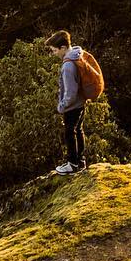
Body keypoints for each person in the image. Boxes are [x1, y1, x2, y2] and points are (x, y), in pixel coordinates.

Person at [45, 30, 88, 175]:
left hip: (72, 106)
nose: (54, 53)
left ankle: (72, 164)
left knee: (70, 133)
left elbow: (70, 93)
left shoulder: (68, 66)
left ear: (63, 48)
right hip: (81, 103)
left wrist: (61, 107)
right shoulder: (77, 56)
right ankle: (81, 162)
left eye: (54, 50)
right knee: (78, 131)